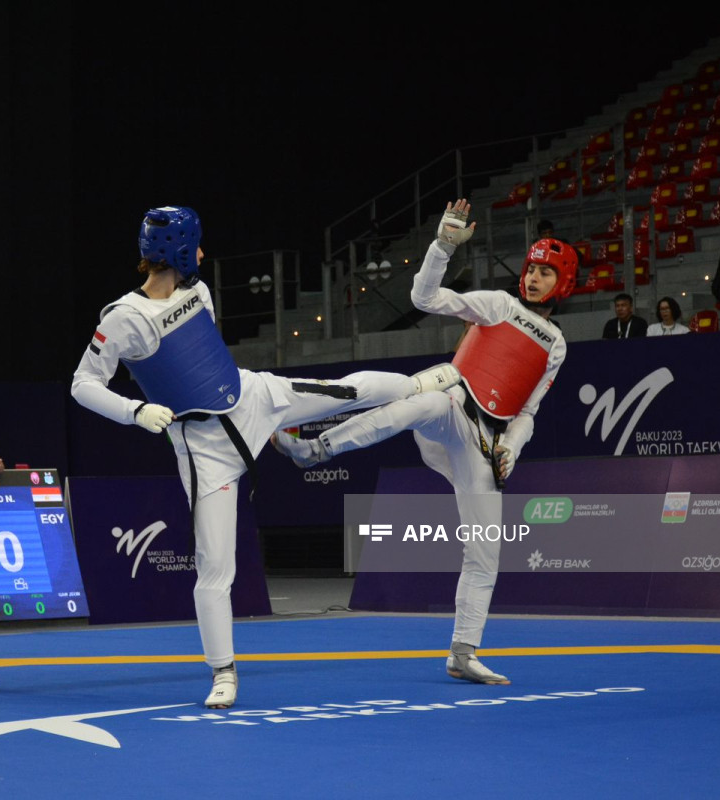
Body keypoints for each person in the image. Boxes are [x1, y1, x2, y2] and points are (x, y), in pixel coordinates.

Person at [71, 206, 420, 709]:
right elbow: (83, 384)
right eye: (196, 246)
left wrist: (267, 426)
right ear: (177, 252)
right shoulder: (124, 319)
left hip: (255, 399)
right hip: (204, 450)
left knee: (346, 390)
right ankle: (223, 673)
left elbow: (205, 357)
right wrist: (135, 410)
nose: (203, 254)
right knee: (215, 567)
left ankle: (430, 381)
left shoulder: (200, 291)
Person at [271, 200, 575, 686]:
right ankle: (316, 448)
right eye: (532, 269)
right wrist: (443, 245)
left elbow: (529, 413)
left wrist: (511, 449)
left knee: (485, 550)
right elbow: (426, 298)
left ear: (565, 283)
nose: (535, 278)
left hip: (482, 439)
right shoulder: (499, 304)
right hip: (451, 395)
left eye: (546, 273)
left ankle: (462, 652)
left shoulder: (556, 344)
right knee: (415, 402)